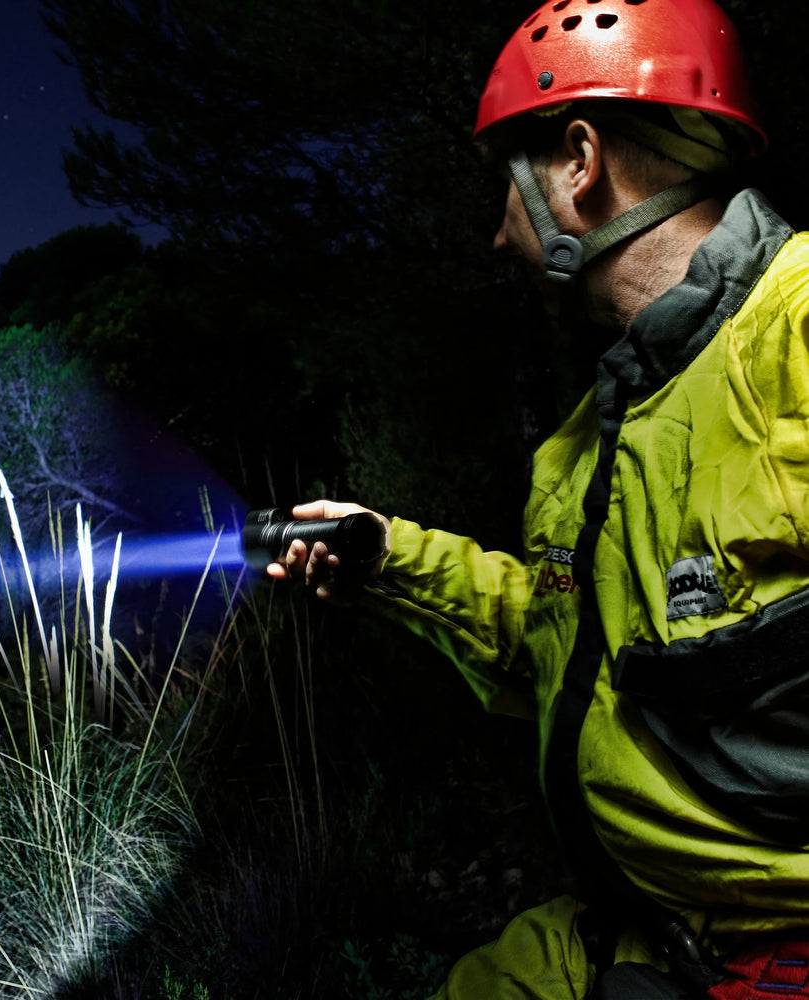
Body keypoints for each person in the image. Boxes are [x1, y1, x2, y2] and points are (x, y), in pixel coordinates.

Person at [268, 1, 809, 997]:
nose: (494, 235)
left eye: (502, 192)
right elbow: (563, 643)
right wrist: (389, 557)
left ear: (577, 160)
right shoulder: (579, 448)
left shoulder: (796, 330)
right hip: (640, 933)